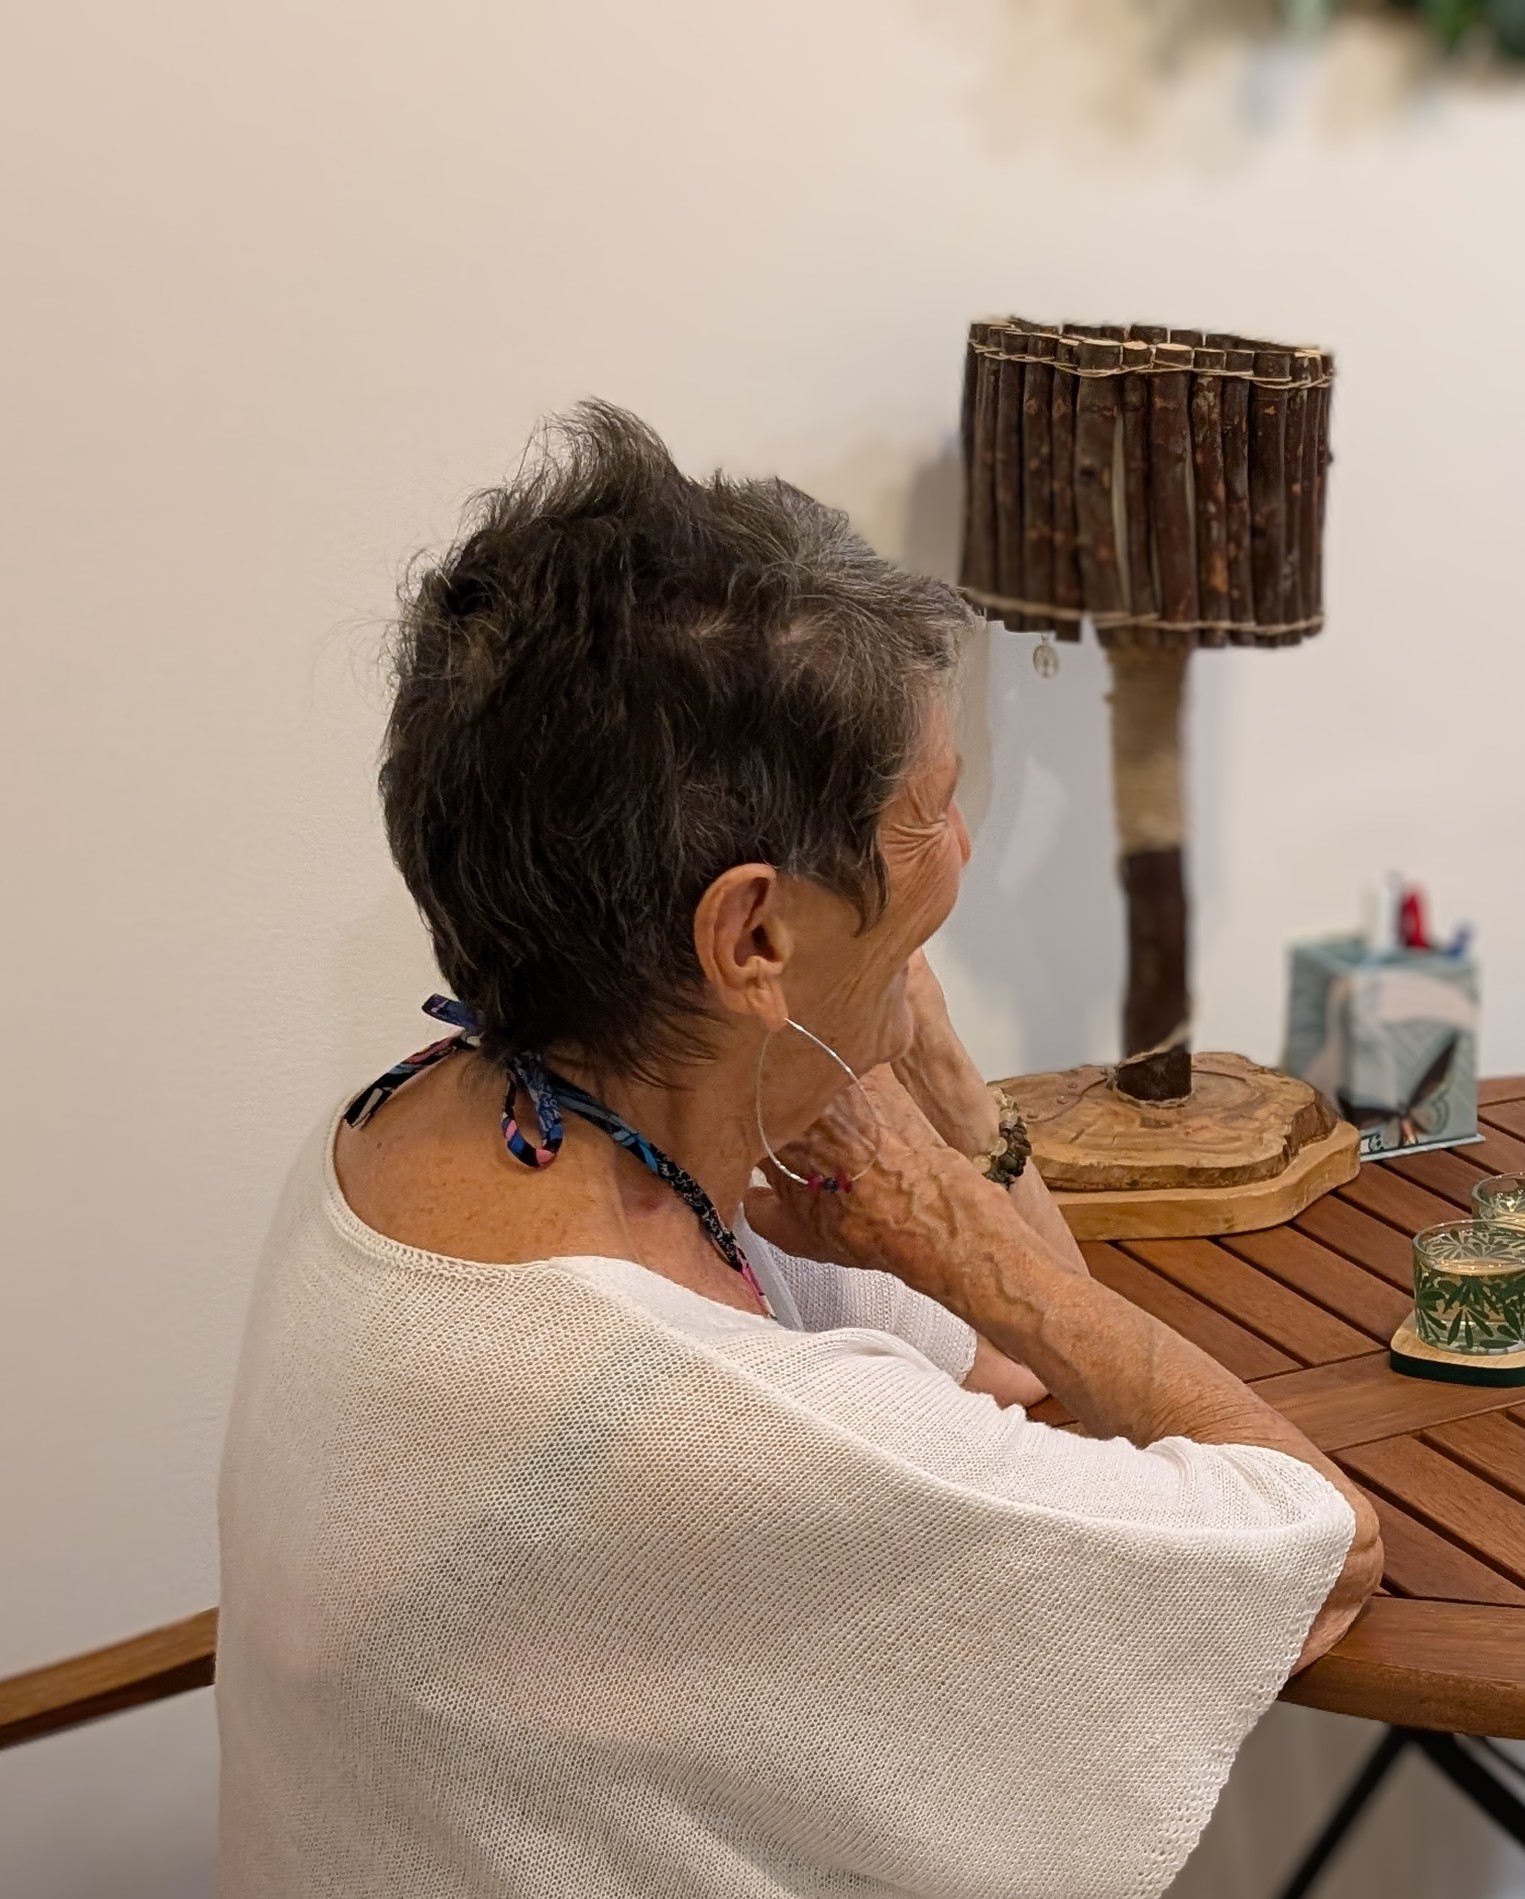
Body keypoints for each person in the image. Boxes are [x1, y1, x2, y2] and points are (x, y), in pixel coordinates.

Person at [216, 402, 1383, 1898]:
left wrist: (940, 1078)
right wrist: (963, 1247)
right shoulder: (709, 1423)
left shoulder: (414, 1125)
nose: (964, 857)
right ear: (753, 934)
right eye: (935, 812)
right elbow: (1317, 1546)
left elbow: (1013, 1380)